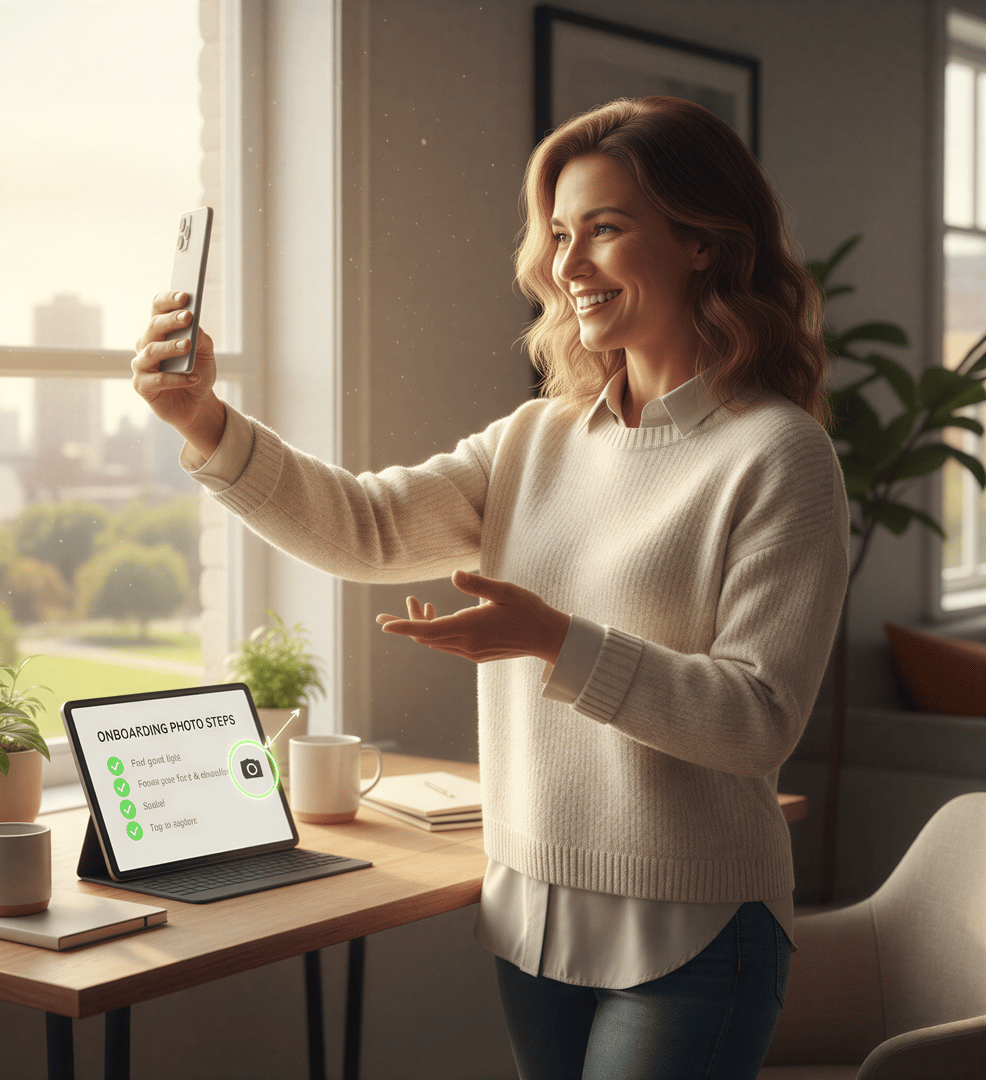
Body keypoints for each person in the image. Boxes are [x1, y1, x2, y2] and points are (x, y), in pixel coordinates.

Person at [132, 97, 849, 1080]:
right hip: (532, 915)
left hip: (698, 928)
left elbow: (758, 719)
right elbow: (365, 526)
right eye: (559, 233)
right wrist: (206, 421)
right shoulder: (537, 439)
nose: (568, 264)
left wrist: (557, 639)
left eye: (605, 228)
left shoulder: (778, 456)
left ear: (701, 242)